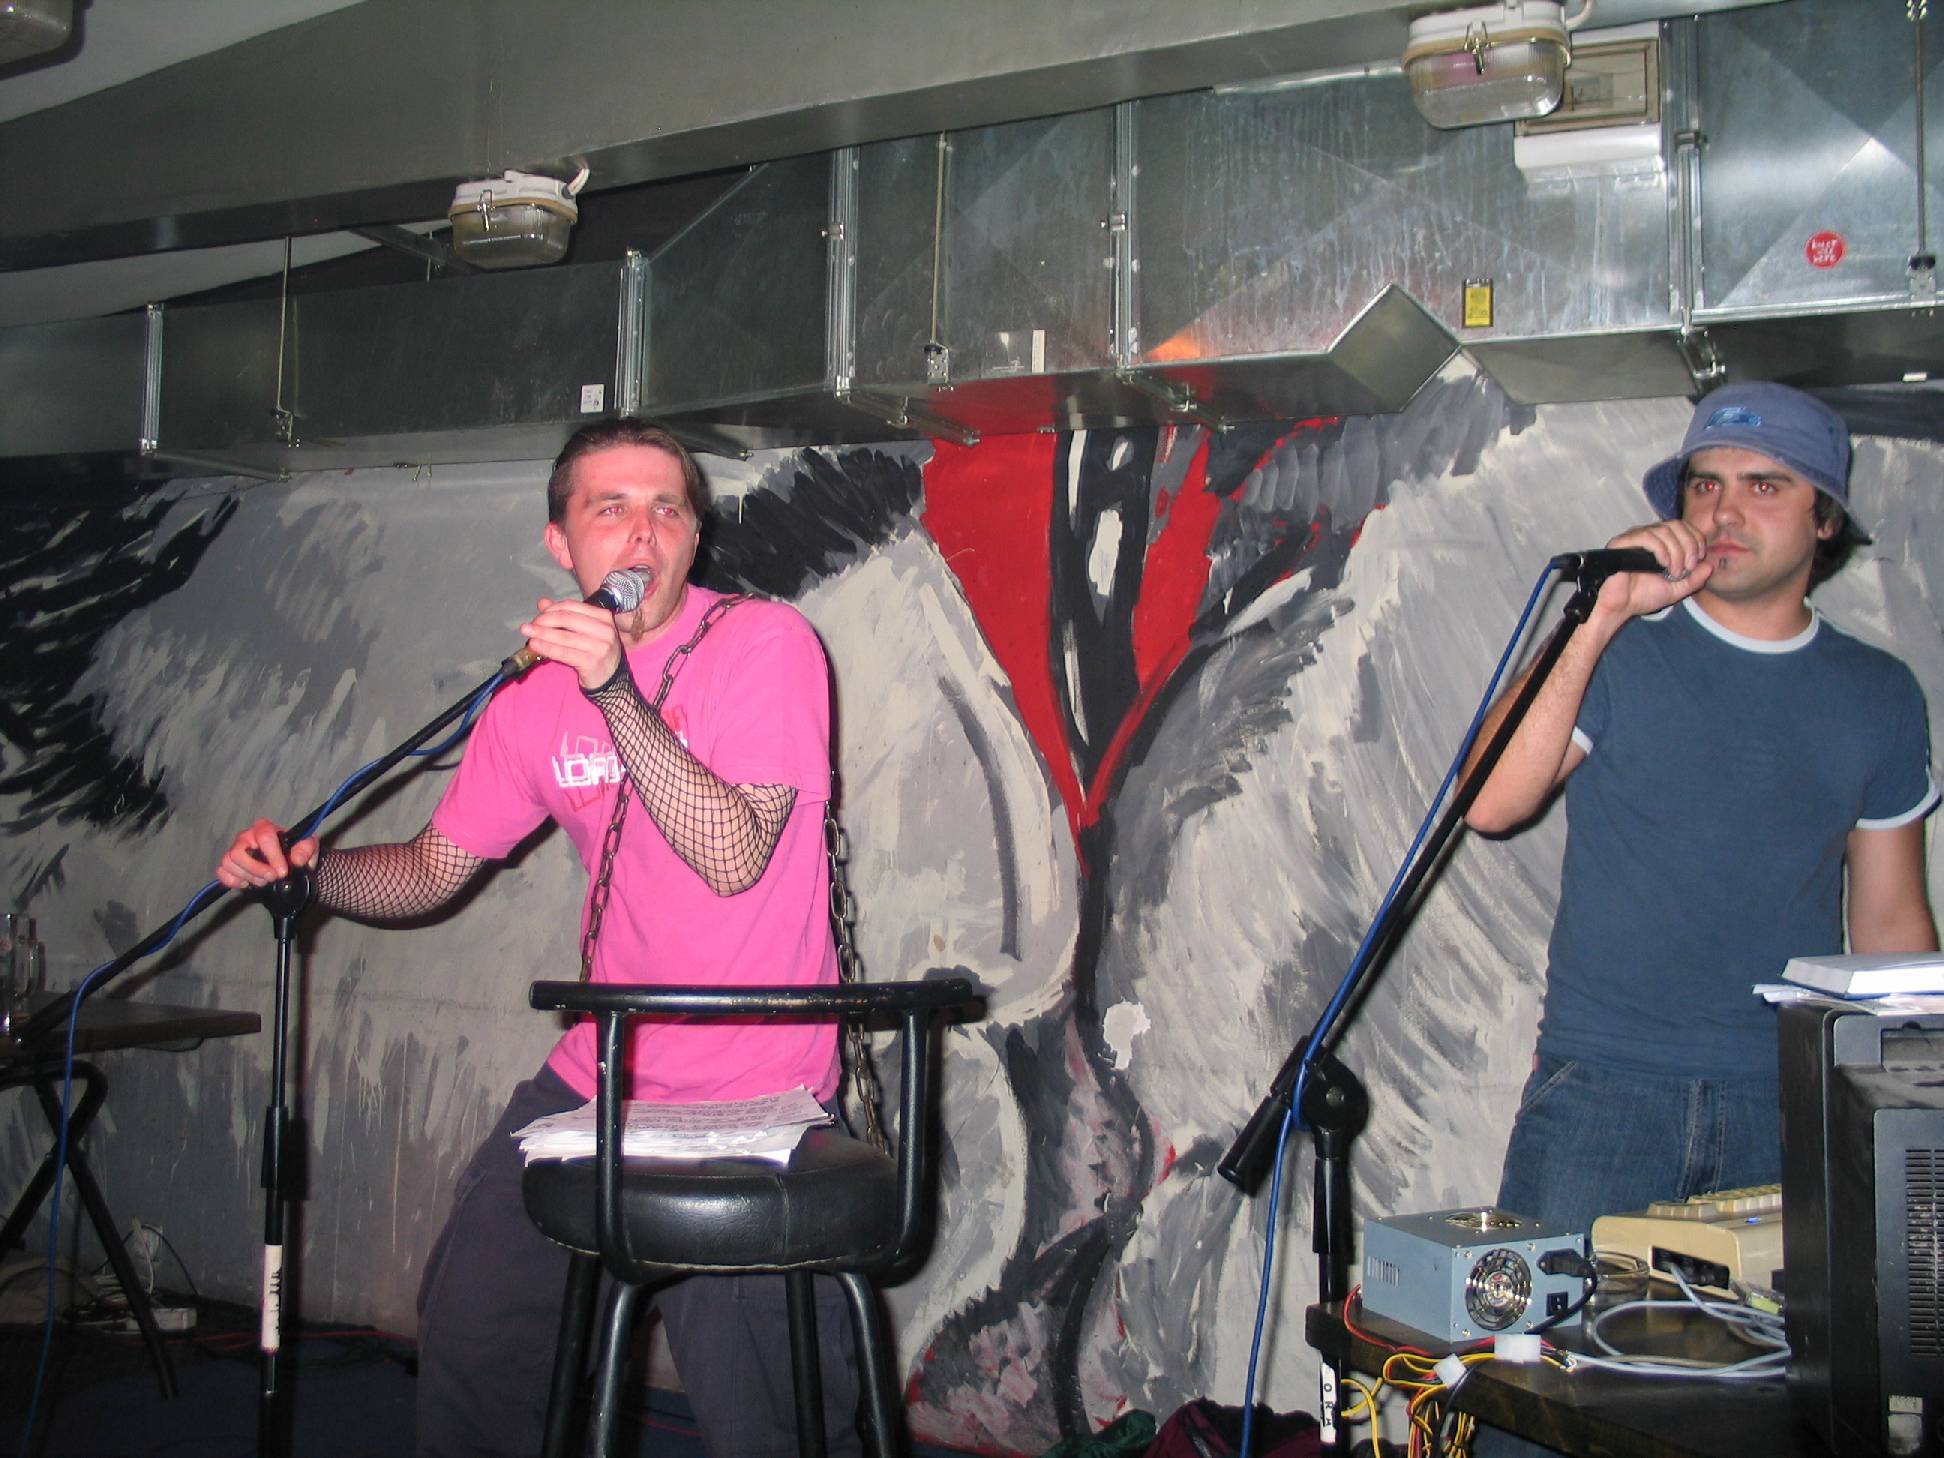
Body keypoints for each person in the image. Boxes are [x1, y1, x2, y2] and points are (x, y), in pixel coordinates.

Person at [215, 418, 862, 1458]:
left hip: (756, 1089)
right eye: (611, 509)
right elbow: (432, 871)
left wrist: (614, 693)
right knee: (475, 1329)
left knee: (768, 1413)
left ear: (695, 538)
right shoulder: (529, 701)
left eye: (668, 509)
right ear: (561, 544)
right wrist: (310, 875)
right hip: (597, 1077)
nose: (643, 533)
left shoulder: (765, 644)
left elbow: (734, 854)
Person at [1464, 381, 1939, 1236]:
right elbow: (1488, 804)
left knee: (1781, 1332)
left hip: (1789, 1096)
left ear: (1825, 519)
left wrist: (1916, 1112)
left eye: (1765, 485)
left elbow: (1890, 923)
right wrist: (1602, 613)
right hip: (1604, 1091)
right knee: (1557, 1328)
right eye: (1706, 484)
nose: (1725, 511)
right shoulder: (1619, 652)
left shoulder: (1880, 693)